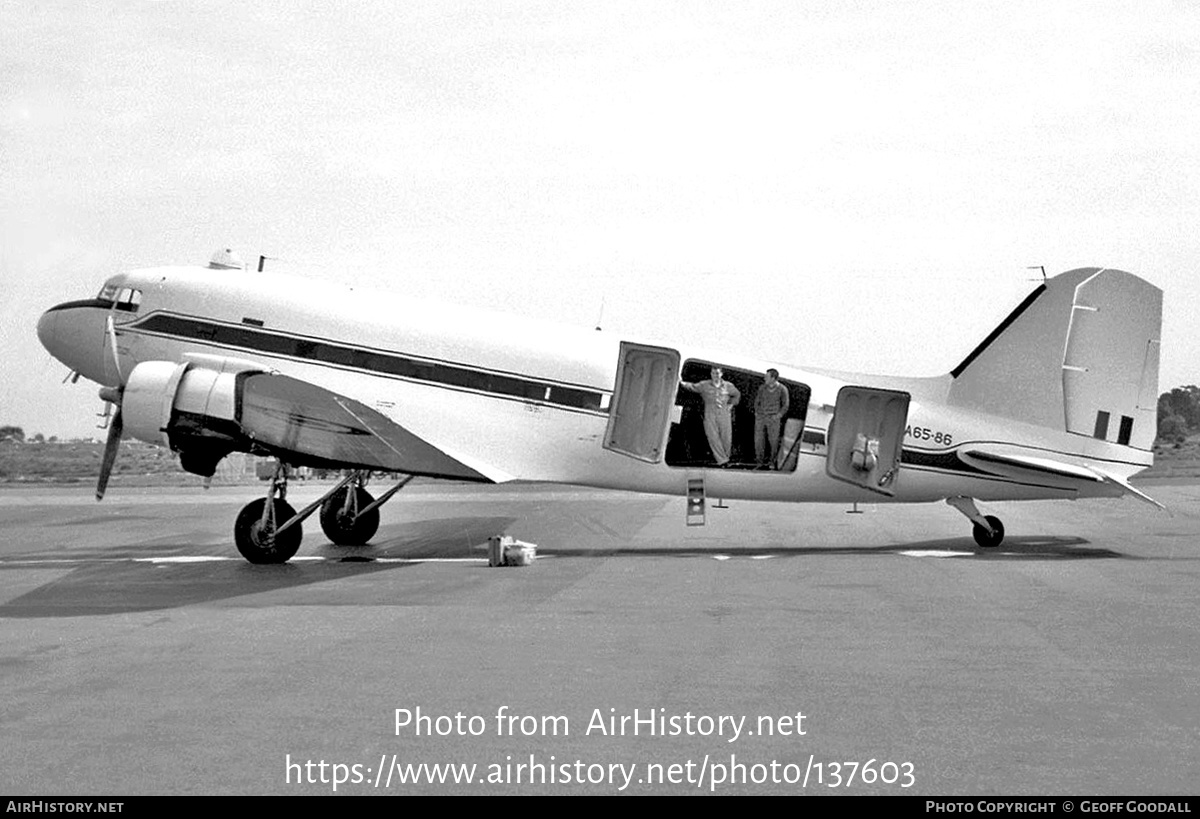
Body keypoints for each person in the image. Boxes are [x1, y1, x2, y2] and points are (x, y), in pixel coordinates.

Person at [680, 367, 740, 466]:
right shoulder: (704, 385)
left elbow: (737, 394)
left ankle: (726, 457)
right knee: (713, 437)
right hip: (710, 412)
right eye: (713, 373)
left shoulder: (728, 386)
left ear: (721, 374)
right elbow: (692, 387)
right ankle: (722, 460)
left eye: (717, 373)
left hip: (724, 413)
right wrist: (680, 381)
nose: (714, 375)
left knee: (726, 437)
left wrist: (731, 405)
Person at [753, 368, 790, 469]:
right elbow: (757, 401)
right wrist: (757, 412)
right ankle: (759, 462)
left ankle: (772, 462)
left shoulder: (782, 389)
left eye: (767, 376)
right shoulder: (762, 388)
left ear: (773, 378)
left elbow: (785, 405)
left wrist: (778, 416)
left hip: (773, 419)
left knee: (773, 441)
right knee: (758, 440)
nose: (765, 378)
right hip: (761, 418)